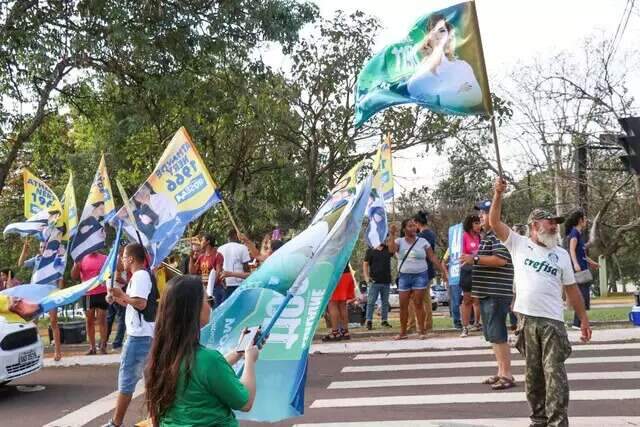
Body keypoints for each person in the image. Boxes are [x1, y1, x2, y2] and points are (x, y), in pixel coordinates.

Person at [489, 177, 591, 427]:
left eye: (557, 223)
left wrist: (584, 319)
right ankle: (538, 420)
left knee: (554, 374)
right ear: (534, 226)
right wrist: (498, 194)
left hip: (553, 324)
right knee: (534, 377)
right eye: (550, 222)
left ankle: (558, 422)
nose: (555, 226)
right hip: (526, 321)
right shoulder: (518, 244)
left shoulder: (561, 255)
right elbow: (494, 222)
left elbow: (572, 290)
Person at [145, 275, 259, 426]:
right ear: (194, 308)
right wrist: (250, 360)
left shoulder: (161, 356)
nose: (210, 306)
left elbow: (197, 372)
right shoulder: (208, 359)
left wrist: (237, 353)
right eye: (207, 300)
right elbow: (245, 402)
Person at [103, 243, 156, 427]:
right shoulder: (140, 276)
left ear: (131, 258)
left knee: (126, 380)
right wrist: (117, 297)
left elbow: (140, 303)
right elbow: (133, 303)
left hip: (139, 336)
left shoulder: (140, 276)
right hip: (144, 333)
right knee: (150, 379)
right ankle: (154, 418)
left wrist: (121, 295)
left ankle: (116, 422)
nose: (122, 260)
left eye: (124, 257)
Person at [466, 200, 515, 390]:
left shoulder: (498, 234)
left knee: (498, 333)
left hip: (497, 291)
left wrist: (475, 258)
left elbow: (500, 260)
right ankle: (501, 371)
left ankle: (507, 374)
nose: (481, 217)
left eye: (485, 213)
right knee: (492, 334)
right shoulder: (487, 236)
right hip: (487, 291)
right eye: (480, 214)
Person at [406, 14, 483, 111]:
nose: (437, 35)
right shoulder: (419, 75)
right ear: (427, 39)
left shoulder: (461, 66)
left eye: (442, 30)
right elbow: (413, 89)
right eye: (433, 31)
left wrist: (439, 98)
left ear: (449, 36)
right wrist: (458, 91)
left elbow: (476, 97)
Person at [388, 219, 448, 340]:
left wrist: (443, 271)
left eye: (414, 226)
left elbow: (432, 257)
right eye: (410, 226)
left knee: (418, 303)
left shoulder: (423, 241)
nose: (414, 228)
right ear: (404, 229)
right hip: (404, 276)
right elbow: (391, 250)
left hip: (420, 275)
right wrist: (392, 234)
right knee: (403, 305)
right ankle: (403, 332)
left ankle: (421, 331)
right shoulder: (399, 241)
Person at [18, 238, 63, 361]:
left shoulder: (56, 260)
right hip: (36, 293)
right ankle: (32, 352)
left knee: (53, 321)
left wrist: (59, 292)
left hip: (50, 292)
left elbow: (60, 278)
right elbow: (20, 264)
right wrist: (24, 250)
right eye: (41, 247)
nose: (43, 249)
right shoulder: (37, 259)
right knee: (33, 322)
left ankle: (58, 352)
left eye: (45, 247)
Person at [564, 210, 599, 329]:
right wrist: (575, 264)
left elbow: (582, 254)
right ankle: (577, 323)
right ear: (580, 220)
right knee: (581, 295)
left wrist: (592, 262)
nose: (586, 221)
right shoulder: (574, 233)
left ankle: (579, 322)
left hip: (583, 268)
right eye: (585, 218)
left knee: (584, 295)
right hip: (579, 269)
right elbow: (572, 250)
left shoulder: (579, 234)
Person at [71, 251, 109, 355]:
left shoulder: (105, 257)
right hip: (88, 293)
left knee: (102, 320)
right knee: (89, 321)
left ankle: (103, 346)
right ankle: (92, 347)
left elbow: (111, 273)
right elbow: (74, 276)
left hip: (102, 292)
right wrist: (76, 264)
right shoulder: (81, 258)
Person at [408, 210, 436, 333]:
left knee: (419, 299)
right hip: (428, 269)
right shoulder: (431, 234)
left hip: (421, 270)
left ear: (418, 223)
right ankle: (426, 324)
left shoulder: (422, 236)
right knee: (426, 299)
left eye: (414, 224)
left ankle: (419, 325)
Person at [459, 213, 482, 337]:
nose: (479, 226)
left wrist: (475, 258)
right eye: (476, 223)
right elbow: (462, 255)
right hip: (467, 271)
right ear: (470, 224)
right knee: (467, 300)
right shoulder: (464, 237)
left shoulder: (481, 237)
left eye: (479, 223)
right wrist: (472, 257)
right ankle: (465, 327)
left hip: (479, 271)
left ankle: (478, 324)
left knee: (478, 299)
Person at [363, 242, 393, 330]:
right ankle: (369, 321)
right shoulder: (370, 250)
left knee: (385, 302)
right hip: (374, 281)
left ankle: (384, 321)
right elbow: (365, 264)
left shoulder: (388, 249)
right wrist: (366, 277)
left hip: (386, 281)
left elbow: (395, 251)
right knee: (371, 302)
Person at [322, 264, 356, 341]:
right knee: (342, 304)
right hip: (347, 274)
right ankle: (345, 331)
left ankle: (335, 332)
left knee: (332, 303)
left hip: (334, 275)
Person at [189, 233, 224, 305]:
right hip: (204, 290)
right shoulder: (201, 257)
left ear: (208, 242)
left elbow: (217, 274)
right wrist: (191, 258)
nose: (200, 242)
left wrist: (210, 288)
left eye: (202, 240)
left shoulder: (217, 255)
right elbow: (192, 272)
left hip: (215, 289)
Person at [218, 230, 251, 298]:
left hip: (224, 283)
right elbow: (246, 268)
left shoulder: (219, 249)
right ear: (236, 236)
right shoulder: (243, 248)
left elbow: (219, 267)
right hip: (239, 283)